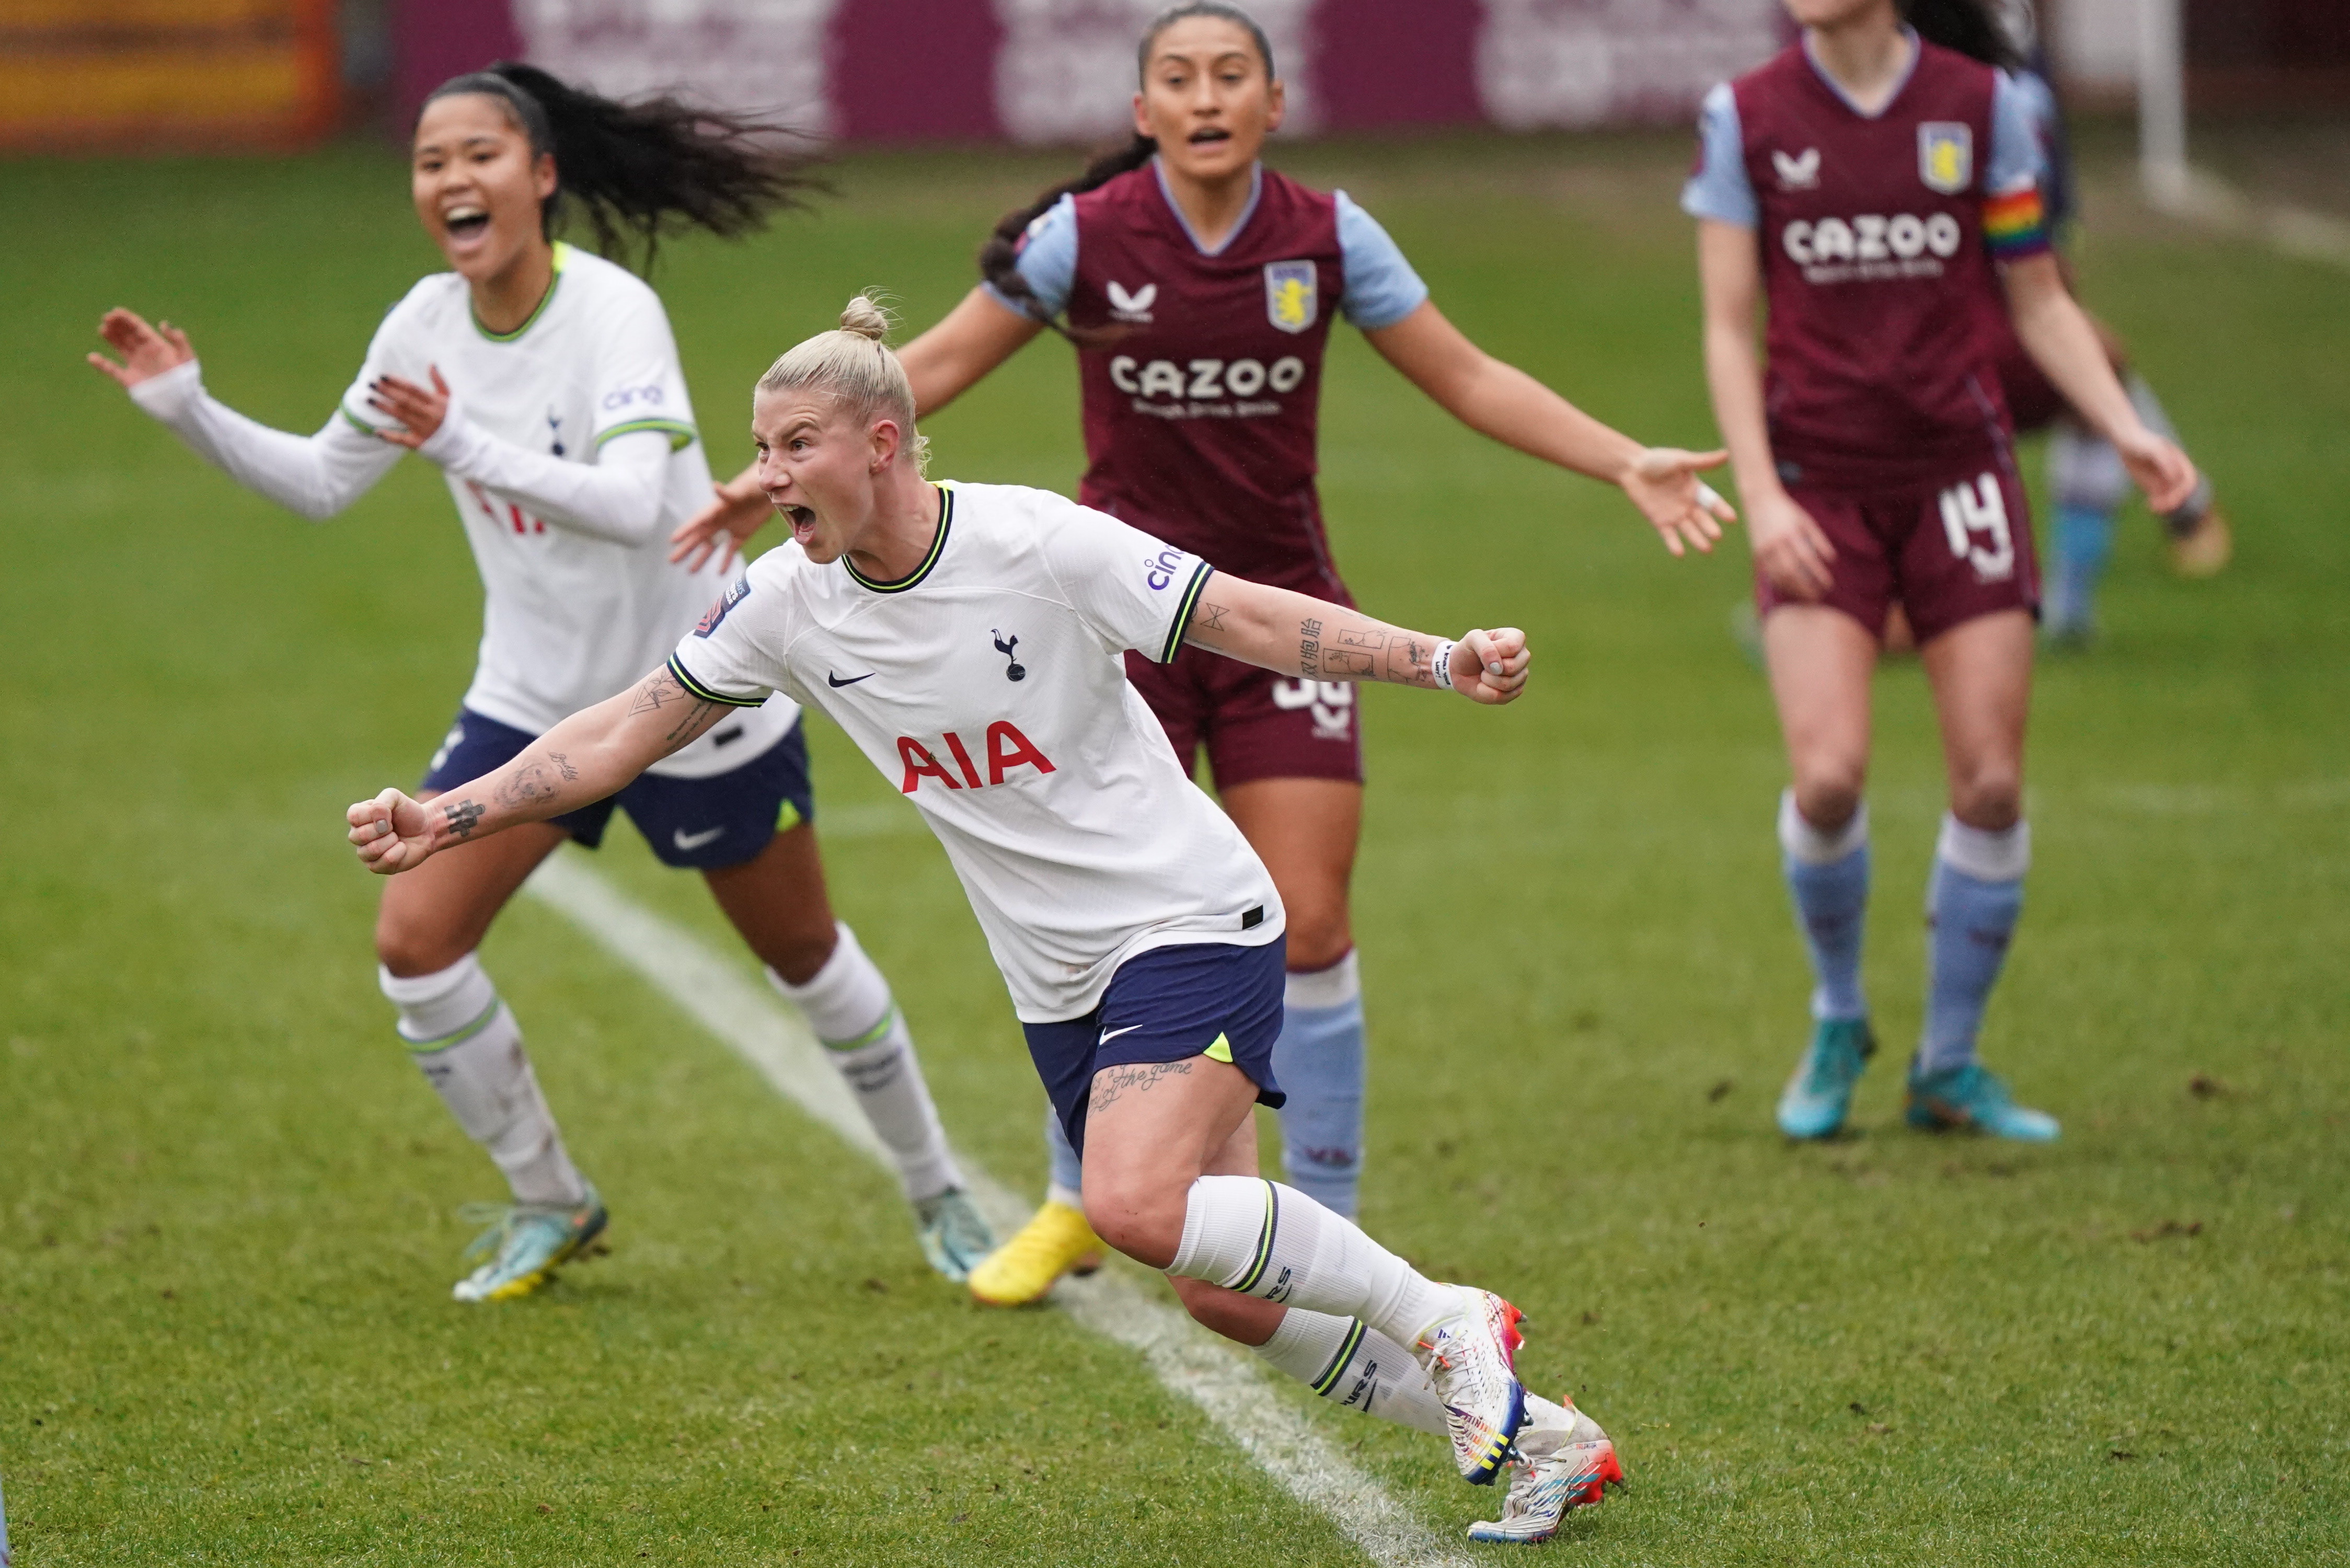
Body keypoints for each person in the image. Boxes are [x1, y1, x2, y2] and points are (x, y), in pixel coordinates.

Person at [350, 298, 1624, 1544]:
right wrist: (449, 814)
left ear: (882, 442)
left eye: (795, 444)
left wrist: (1437, 659)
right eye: (759, 446)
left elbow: (1240, 613)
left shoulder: (1035, 542)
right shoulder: (785, 603)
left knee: (1128, 1203)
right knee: (1220, 1296)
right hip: (1056, 975)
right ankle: (1550, 1438)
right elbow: (623, 729)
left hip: (1188, 912)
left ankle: (1450, 1314)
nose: (766, 473)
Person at [674, 0, 1734, 1314]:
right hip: (1111, 629)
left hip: (1276, 609)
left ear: (1273, 104)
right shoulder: (1083, 240)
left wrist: (1621, 454)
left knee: (1314, 915)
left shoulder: (1331, 235)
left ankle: (1321, 1215)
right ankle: (1080, 1195)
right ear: (1141, 115)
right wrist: (774, 474)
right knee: (1092, 916)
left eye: (1233, 72)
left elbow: (1465, 376)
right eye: (1177, 76)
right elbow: (923, 366)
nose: (1206, 94)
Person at [87, 65, 988, 1302]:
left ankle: (941, 1189)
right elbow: (317, 482)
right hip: (531, 696)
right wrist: (187, 408)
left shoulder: (612, 312)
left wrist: (461, 442)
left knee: (803, 952)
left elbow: (632, 507)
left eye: (480, 155)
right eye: (429, 161)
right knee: (416, 942)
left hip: (696, 689)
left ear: (543, 176)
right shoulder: (420, 325)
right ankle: (549, 1197)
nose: (453, 179)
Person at [1685, 0, 2198, 1142]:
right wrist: (1762, 497)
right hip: (1816, 482)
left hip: (1962, 480)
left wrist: (2121, 427)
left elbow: (2037, 299)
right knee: (1826, 779)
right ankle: (1838, 1018)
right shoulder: (1748, 116)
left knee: (1992, 786)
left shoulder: (1985, 111)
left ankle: (1950, 1066)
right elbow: (1729, 327)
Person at [1983, 0, 2230, 645]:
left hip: (1958, 326)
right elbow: (2048, 248)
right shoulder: (2012, 86)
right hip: (1977, 326)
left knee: (2096, 384)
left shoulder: (1965, 82)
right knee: (2100, 383)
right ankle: (2173, 515)